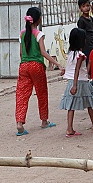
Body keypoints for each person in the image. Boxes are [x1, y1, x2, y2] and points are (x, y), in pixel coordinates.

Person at [15, 7, 61, 136]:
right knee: (41, 93)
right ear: (38, 19)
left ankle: (19, 123)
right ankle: (44, 120)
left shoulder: (22, 33)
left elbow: (20, 53)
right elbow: (43, 52)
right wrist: (57, 63)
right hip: (37, 66)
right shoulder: (38, 34)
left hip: (24, 65)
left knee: (22, 95)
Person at [60, 28, 93, 137]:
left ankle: (70, 128)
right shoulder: (80, 55)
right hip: (81, 82)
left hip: (71, 82)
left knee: (71, 106)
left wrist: (73, 84)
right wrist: (75, 85)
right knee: (90, 103)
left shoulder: (71, 53)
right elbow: (77, 69)